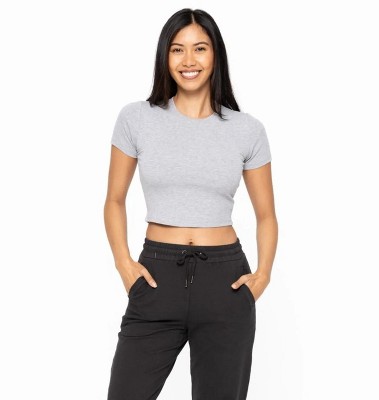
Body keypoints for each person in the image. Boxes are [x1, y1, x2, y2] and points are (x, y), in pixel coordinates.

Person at [104, 7, 278, 400]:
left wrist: (263, 275)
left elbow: (266, 215)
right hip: (156, 277)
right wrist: (124, 265)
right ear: (165, 56)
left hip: (225, 282)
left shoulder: (247, 130)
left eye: (200, 48)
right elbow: (114, 200)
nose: (189, 60)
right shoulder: (136, 119)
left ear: (215, 54)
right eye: (177, 49)